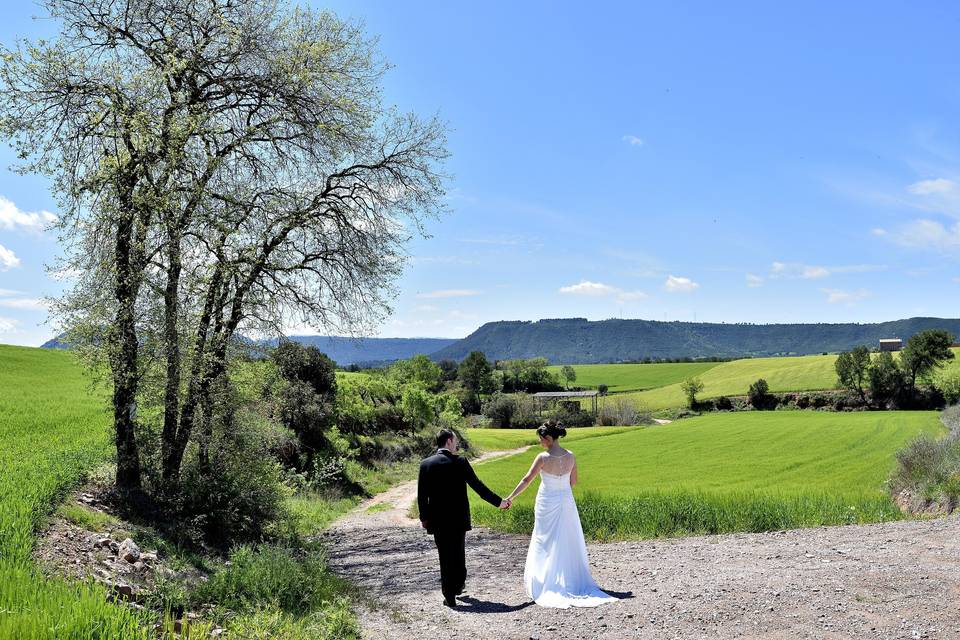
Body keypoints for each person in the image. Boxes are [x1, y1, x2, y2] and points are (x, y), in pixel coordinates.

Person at [504, 421, 616, 608]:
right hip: (566, 500)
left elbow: (527, 479)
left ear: (548, 438)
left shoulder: (543, 457)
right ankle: (570, 579)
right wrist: (561, 489)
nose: (540, 442)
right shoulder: (571, 456)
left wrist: (510, 497)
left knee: (544, 539)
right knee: (567, 539)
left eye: (541, 439)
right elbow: (573, 481)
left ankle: (544, 581)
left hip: (547, 501)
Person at [417, 428, 510, 608]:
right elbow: (478, 487)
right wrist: (499, 502)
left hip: (437, 520)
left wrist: (424, 518)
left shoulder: (425, 464)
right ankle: (458, 585)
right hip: (458, 519)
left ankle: (449, 596)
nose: (457, 444)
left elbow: (422, 496)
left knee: (444, 556)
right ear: (449, 441)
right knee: (458, 554)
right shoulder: (460, 462)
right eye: (456, 440)